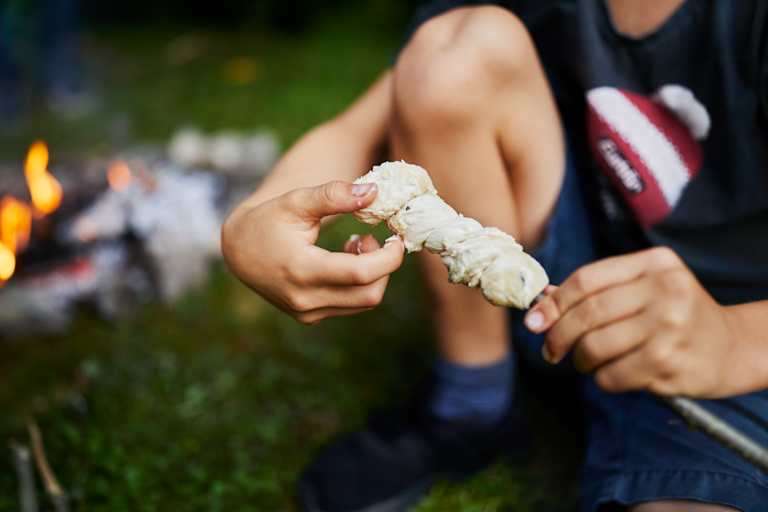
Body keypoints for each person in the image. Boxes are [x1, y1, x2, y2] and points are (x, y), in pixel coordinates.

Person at [222, 0, 768, 510]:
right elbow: (366, 120)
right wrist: (254, 220)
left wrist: (736, 341)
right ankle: (472, 402)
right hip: (563, 278)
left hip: (739, 351)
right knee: (455, 51)